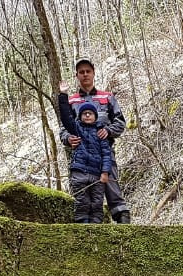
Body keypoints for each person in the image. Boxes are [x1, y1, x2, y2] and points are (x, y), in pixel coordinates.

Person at [59, 59, 131, 224]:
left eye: (88, 71)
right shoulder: (72, 101)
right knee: (85, 192)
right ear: (76, 76)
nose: (85, 75)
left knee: (111, 185)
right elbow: (63, 128)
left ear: (93, 73)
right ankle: (87, 223)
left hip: (104, 152)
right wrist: (68, 139)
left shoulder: (107, 97)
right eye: (81, 72)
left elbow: (120, 122)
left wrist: (108, 130)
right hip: (82, 156)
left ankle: (122, 219)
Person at [56, 92, 113, 224]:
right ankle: (82, 226)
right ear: (80, 116)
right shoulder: (76, 129)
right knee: (82, 201)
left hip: (97, 175)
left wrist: (105, 172)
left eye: (90, 113)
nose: (87, 115)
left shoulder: (100, 133)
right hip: (79, 173)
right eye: (84, 113)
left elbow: (106, 154)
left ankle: (96, 227)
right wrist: (63, 96)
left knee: (97, 202)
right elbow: (66, 117)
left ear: (95, 116)